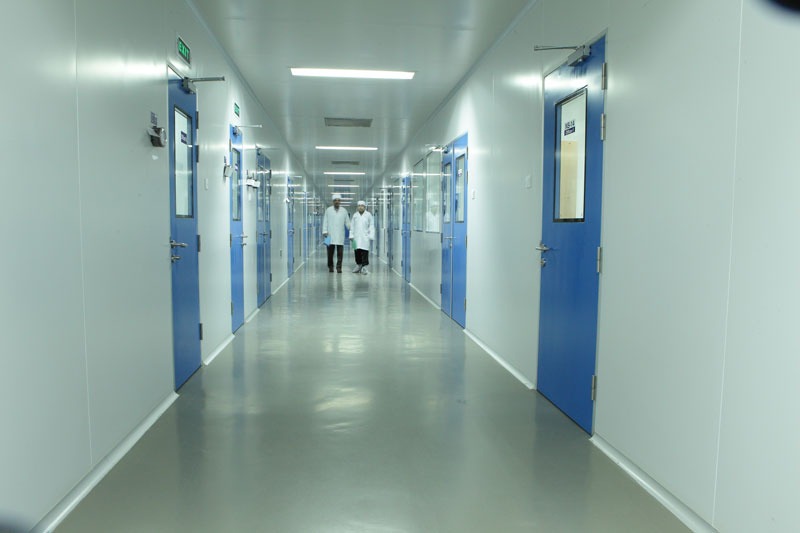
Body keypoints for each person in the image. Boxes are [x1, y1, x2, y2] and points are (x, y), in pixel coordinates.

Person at [322, 193, 350, 273]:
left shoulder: (344, 211)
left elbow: (347, 222)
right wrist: (324, 231)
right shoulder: (328, 210)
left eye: (338, 200)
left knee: (340, 253)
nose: (337, 202)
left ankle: (339, 267)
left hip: (340, 234)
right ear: (333, 201)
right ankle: (330, 266)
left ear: (340, 201)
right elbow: (325, 221)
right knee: (329, 253)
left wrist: (352, 229)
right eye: (335, 200)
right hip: (328, 235)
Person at [349, 200, 374, 274]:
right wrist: (351, 235)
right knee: (357, 251)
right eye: (359, 206)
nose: (360, 207)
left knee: (365, 252)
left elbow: (371, 225)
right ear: (357, 207)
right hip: (355, 237)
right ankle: (358, 265)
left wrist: (371, 235)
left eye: (362, 206)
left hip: (365, 237)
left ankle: (364, 267)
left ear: (364, 207)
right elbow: (352, 226)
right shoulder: (355, 215)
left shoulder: (368, 215)